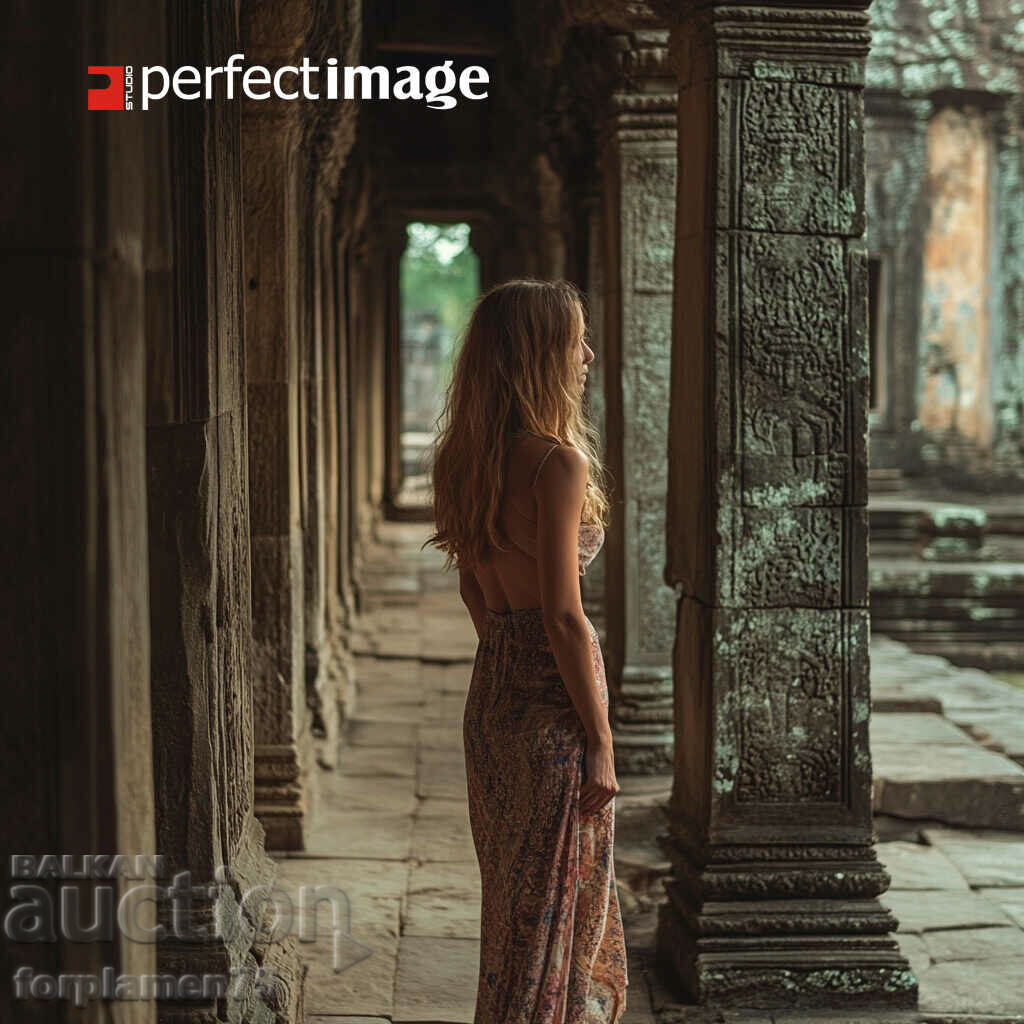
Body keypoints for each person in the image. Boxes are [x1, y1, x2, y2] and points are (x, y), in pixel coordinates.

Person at [427, 279, 628, 1024]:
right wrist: (601, 741)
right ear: (542, 354)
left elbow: (476, 593)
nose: (588, 355)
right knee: (559, 921)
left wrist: (510, 666)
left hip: (494, 709)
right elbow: (567, 618)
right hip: (554, 718)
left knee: (514, 917)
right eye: (575, 341)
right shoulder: (556, 465)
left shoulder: (463, 459)